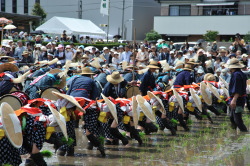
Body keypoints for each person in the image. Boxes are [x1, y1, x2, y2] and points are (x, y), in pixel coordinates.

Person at [225, 58, 248, 132]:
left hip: (237, 99)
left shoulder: (236, 75)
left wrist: (234, 100)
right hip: (238, 98)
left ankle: (244, 132)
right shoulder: (240, 73)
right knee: (232, 117)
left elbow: (237, 89)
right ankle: (234, 133)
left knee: (237, 119)